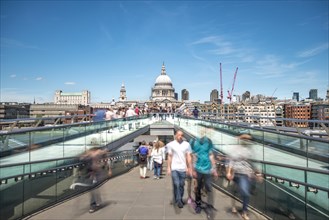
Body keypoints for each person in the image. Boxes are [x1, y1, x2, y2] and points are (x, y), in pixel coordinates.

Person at [226, 134, 262, 220]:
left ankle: (244, 211)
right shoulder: (235, 148)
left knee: (245, 193)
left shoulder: (251, 150)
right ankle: (235, 206)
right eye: (244, 138)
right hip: (236, 173)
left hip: (246, 174)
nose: (246, 140)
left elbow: (255, 162)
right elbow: (231, 161)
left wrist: (259, 174)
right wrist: (228, 172)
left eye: (248, 139)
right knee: (237, 191)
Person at [190, 133, 218, 216]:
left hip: (207, 170)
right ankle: (198, 204)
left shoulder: (209, 141)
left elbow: (211, 155)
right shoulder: (193, 141)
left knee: (209, 188)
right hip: (197, 169)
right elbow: (191, 155)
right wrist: (192, 169)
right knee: (197, 188)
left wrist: (214, 169)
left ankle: (209, 207)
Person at [166, 130, 192, 208]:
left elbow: (188, 156)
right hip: (174, 168)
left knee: (181, 185)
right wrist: (168, 167)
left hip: (183, 168)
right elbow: (169, 156)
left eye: (181, 135)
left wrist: (189, 167)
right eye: (178, 135)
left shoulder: (187, 144)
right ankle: (179, 200)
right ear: (175, 135)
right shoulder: (171, 144)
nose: (180, 136)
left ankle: (178, 198)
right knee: (176, 184)